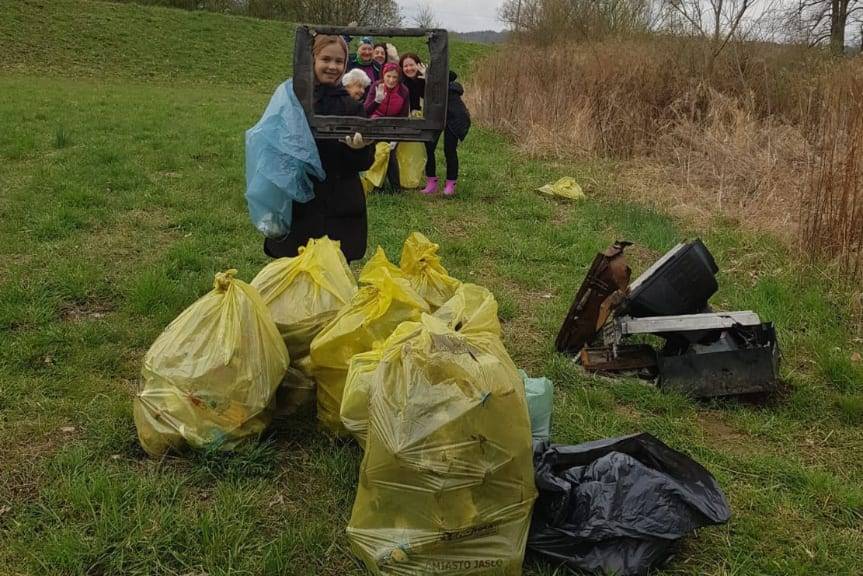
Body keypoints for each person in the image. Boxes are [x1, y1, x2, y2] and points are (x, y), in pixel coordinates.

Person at [264, 34, 374, 263]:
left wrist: (358, 149)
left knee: (333, 273)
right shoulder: (292, 100)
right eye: (326, 59)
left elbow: (363, 163)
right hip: (299, 203)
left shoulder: (352, 107)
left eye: (339, 61)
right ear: (313, 59)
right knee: (295, 269)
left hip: (339, 203)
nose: (333, 66)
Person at [422, 70, 471, 196]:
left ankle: (450, 183)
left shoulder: (451, 89)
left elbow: (452, 74)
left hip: (454, 118)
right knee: (429, 147)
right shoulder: (429, 82)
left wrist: (429, 75)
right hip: (436, 117)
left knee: (449, 149)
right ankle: (431, 182)